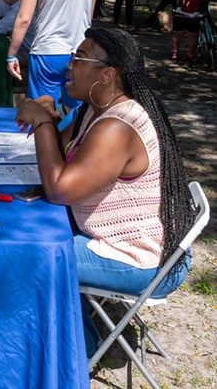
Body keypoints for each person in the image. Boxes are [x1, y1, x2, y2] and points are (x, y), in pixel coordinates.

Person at [15, 27, 195, 358]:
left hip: (143, 258)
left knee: (34, 257)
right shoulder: (93, 110)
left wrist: (42, 123)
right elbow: (59, 152)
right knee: (34, 244)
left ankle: (76, 350)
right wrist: (50, 118)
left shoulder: (117, 126)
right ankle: (74, 337)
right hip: (122, 244)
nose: (68, 66)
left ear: (107, 74)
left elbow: (59, 189)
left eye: (77, 59)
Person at [170, 0, 217, 64]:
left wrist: (179, 1)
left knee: (177, 34)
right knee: (193, 37)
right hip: (194, 15)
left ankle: (174, 53)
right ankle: (189, 56)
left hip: (181, 11)